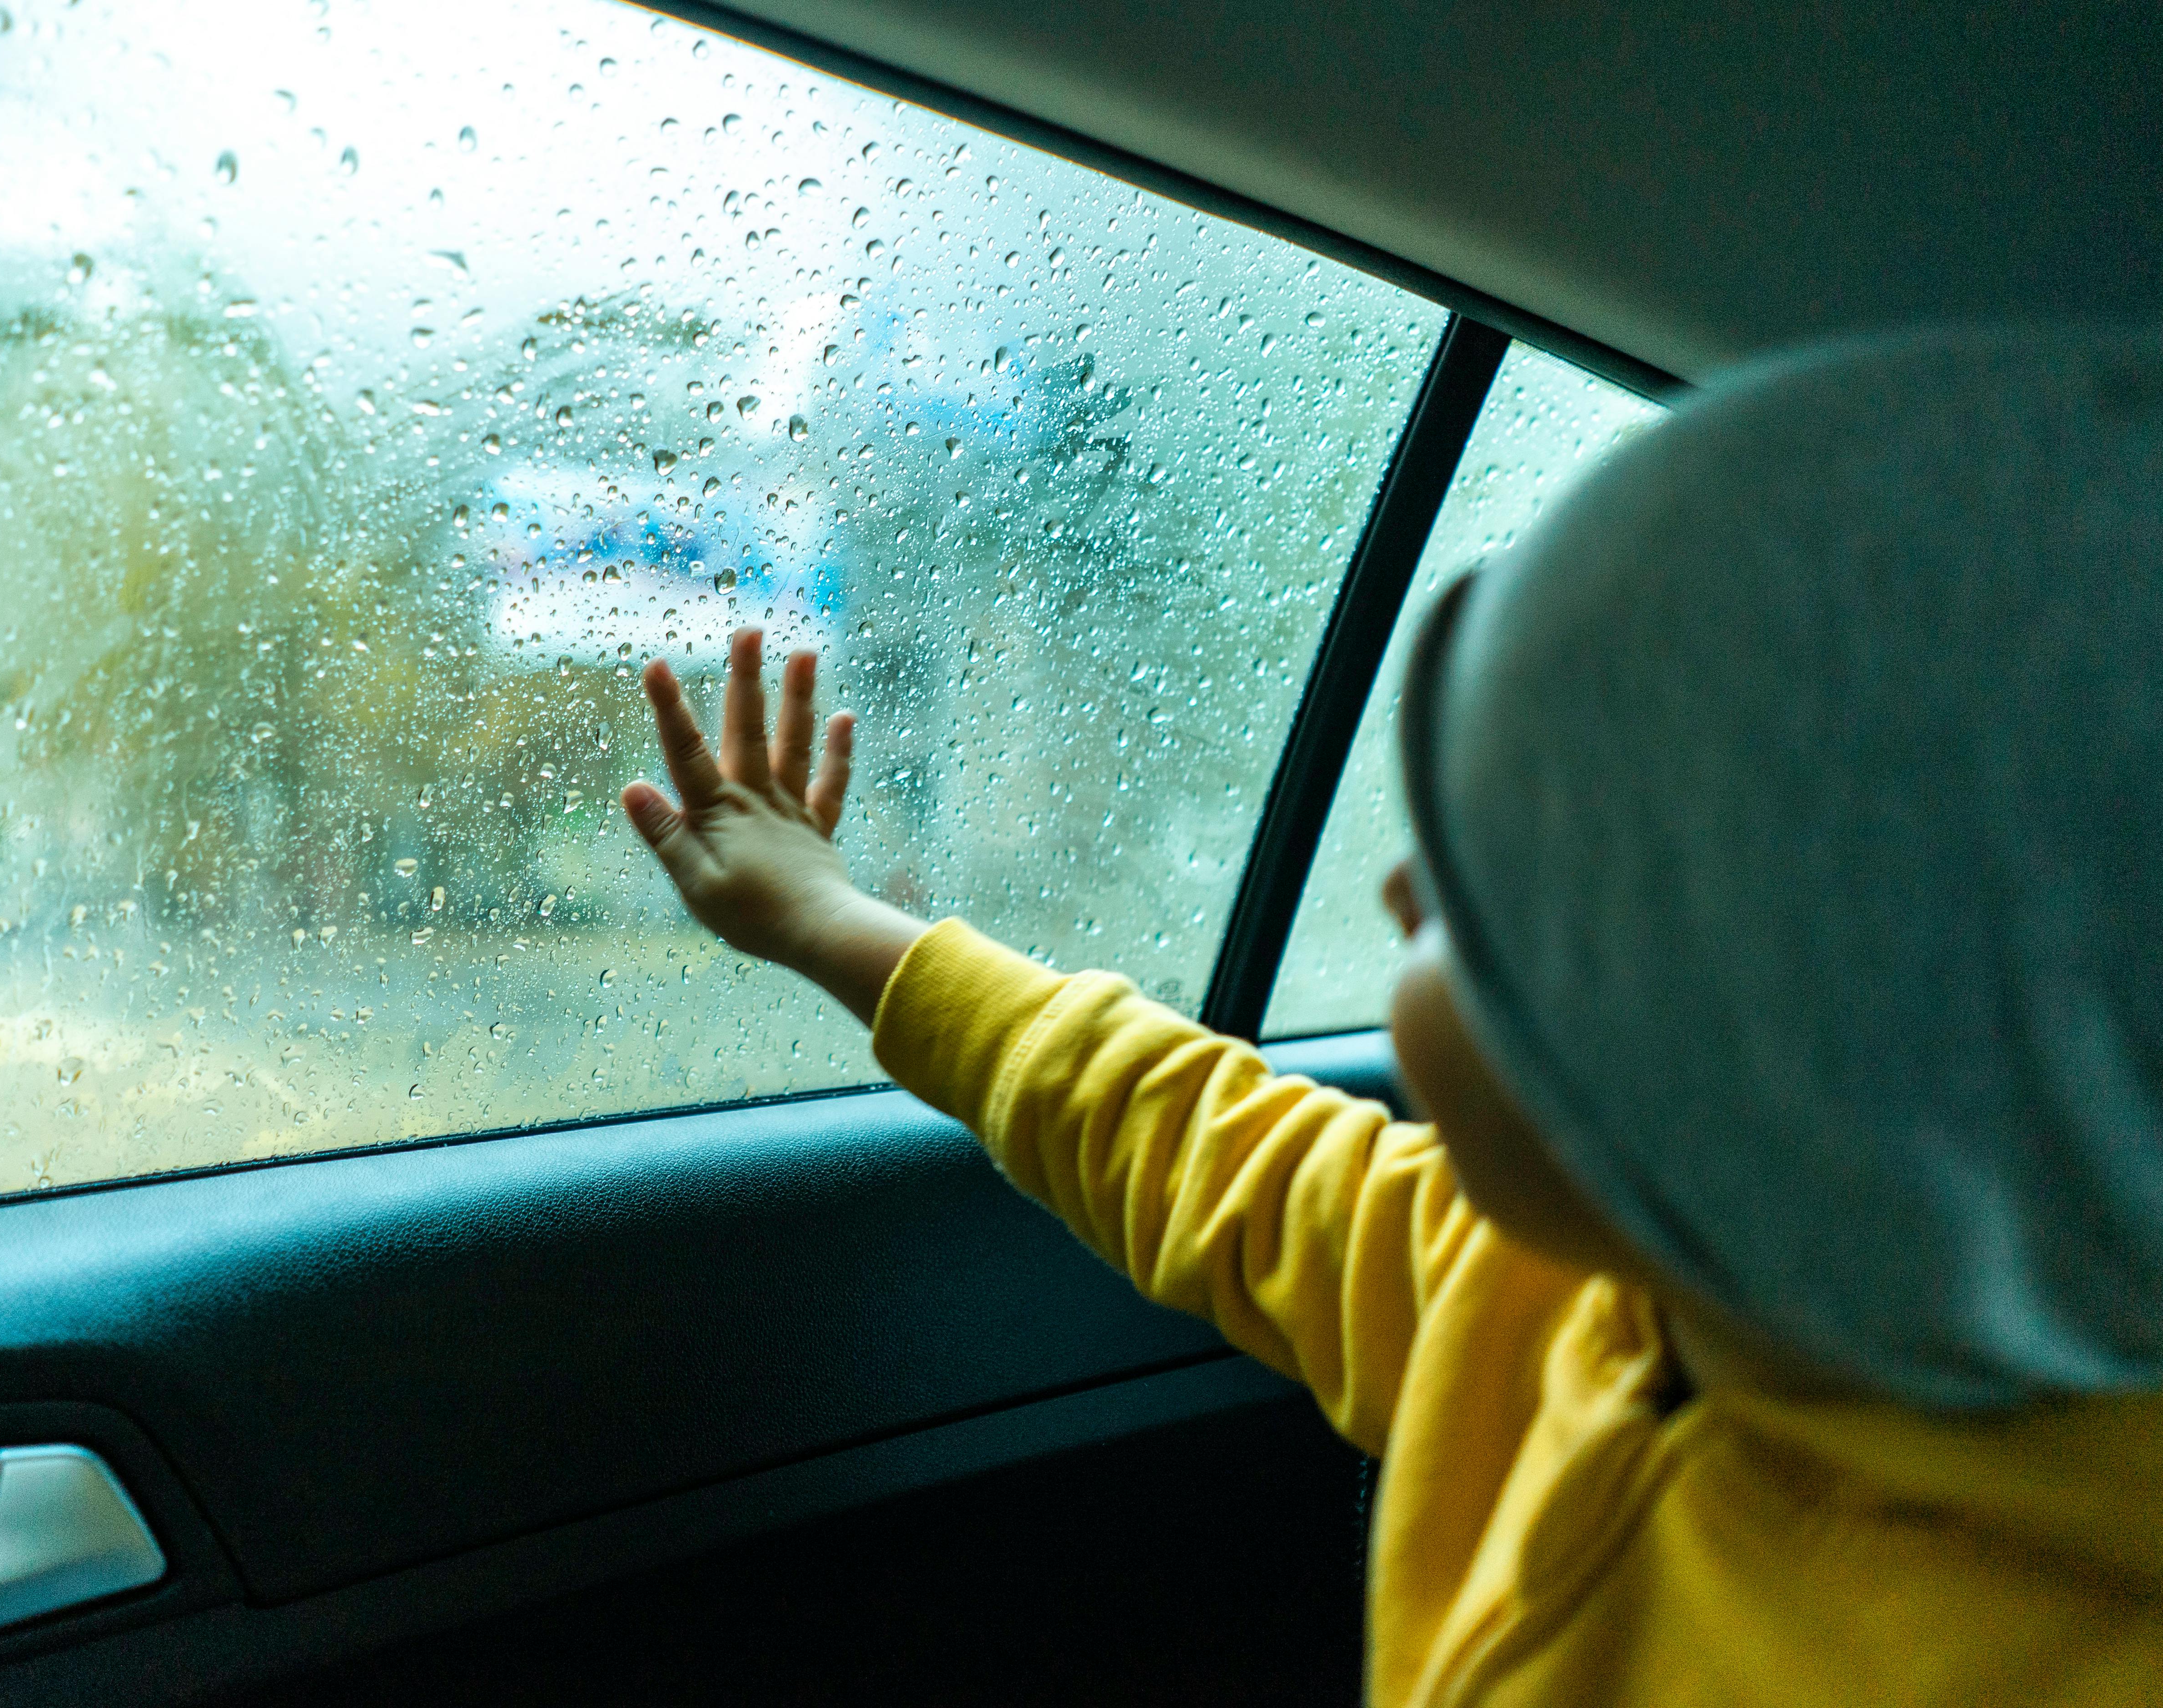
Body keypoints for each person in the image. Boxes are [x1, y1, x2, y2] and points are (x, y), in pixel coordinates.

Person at [617, 326, 2163, 1705]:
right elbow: (1190, 1138)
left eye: (1497, 897)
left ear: (1741, 1065)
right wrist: (834, 922)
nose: (1403, 899)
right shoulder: (1555, 1297)